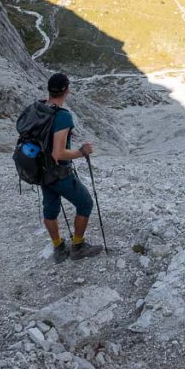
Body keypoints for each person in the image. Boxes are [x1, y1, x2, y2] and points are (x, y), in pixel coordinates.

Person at [41, 72, 103, 263]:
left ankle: (58, 247)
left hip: (41, 170)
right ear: (66, 90)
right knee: (85, 204)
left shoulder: (40, 108)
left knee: (50, 209)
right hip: (58, 172)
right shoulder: (62, 117)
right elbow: (58, 153)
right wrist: (82, 152)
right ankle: (77, 246)